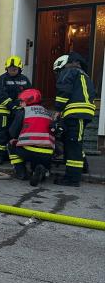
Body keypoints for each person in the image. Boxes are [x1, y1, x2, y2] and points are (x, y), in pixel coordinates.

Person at [52, 52, 96, 187]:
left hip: (75, 113)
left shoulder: (68, 71)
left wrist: (58, 109)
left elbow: (63, 91)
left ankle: (72, 179)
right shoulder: (83, 74)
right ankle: (83, 167)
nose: (58, 75)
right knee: (73, 140)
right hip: (82, 112)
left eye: (57, 72)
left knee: (73, 145)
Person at [7, 88, 54, 186]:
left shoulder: (24, 112)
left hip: (27, 151)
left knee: (11, 143)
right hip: (48, 153)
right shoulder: (48, 113)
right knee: (39, 159)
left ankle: (21, 173)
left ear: (28, 101)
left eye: (22, 101)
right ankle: (42, 170)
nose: (20, 104)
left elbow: (13, 132)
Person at [0, 56, 31, 165]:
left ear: (20, 69)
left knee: (15, 134)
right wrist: (12, 106)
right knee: (1, 134)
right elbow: (1, 96)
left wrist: (22, 105)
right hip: (3, 112)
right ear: (6, 69)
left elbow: (29, 94)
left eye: (15, 69)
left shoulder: (24, 80)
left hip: (18, 112)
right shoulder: (2, 79)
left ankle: (13, 155)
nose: (12, 71)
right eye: (10, 69)